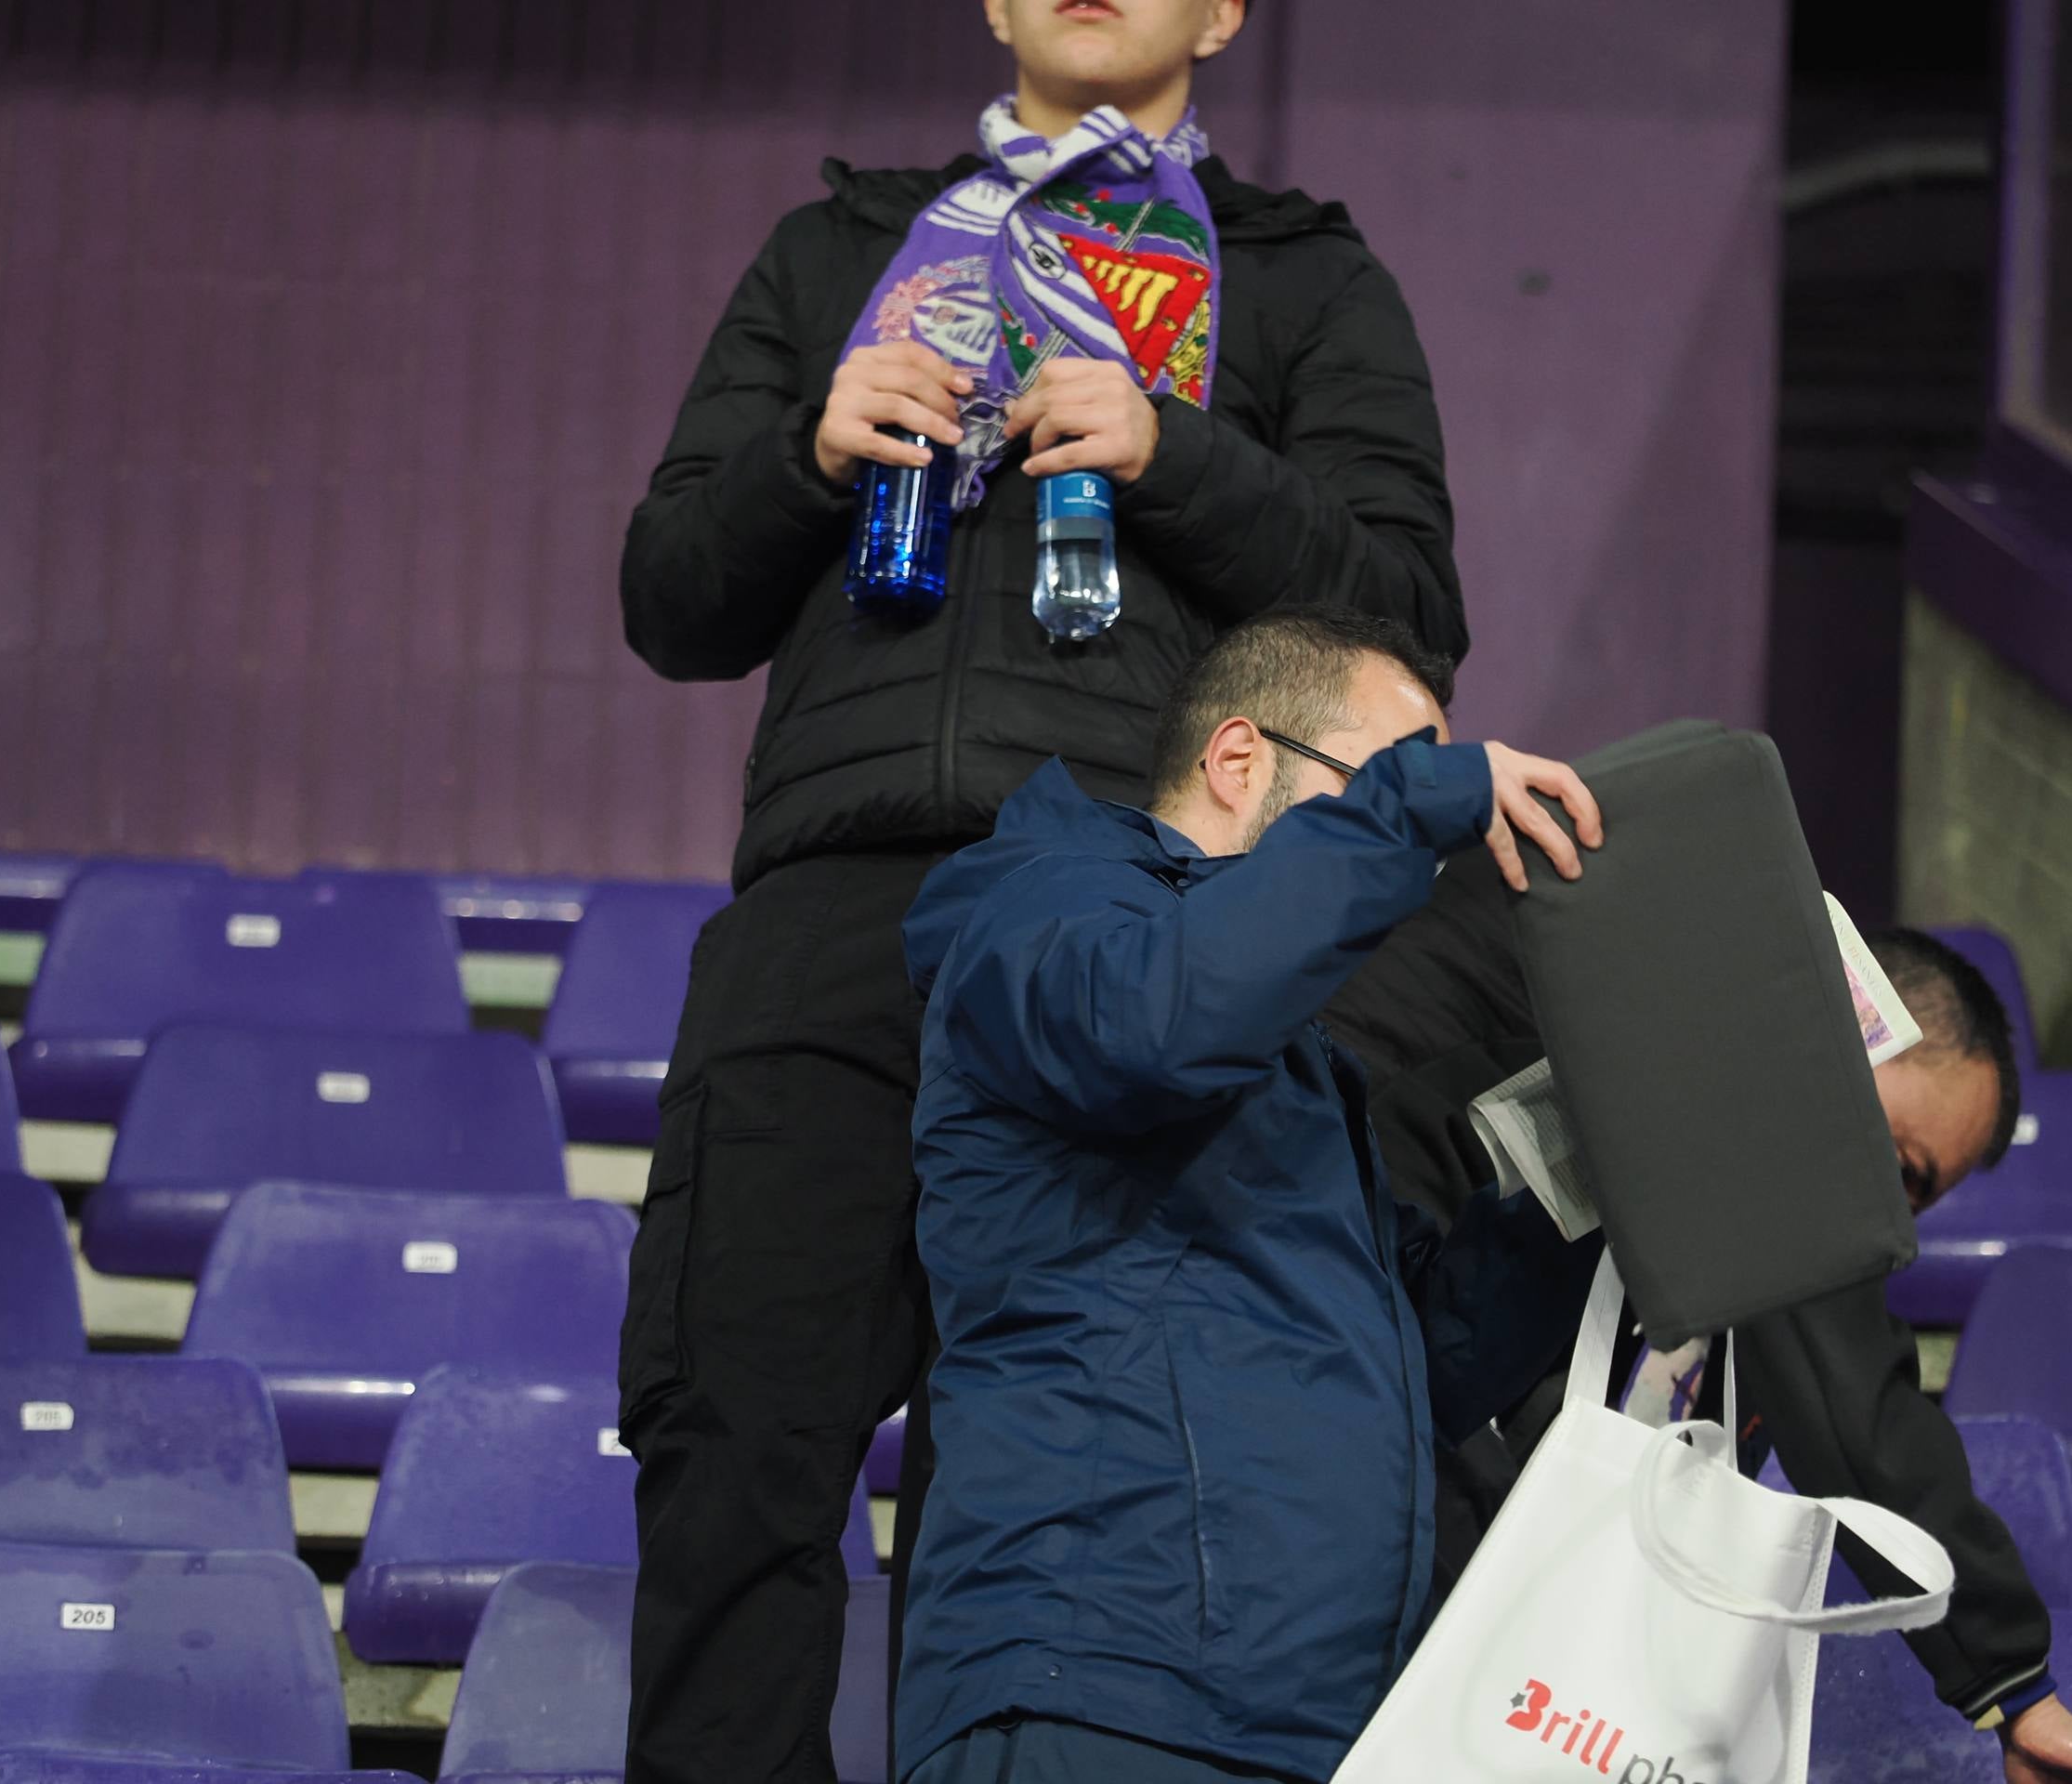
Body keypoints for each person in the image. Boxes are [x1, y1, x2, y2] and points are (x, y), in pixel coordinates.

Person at [613, 0, 1464, 1776]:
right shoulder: (841, 249)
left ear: (1228, 10)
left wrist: (1180, 450)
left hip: (1121, 931)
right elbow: (672, 599)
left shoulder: (1304, 282)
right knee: (736, 1467)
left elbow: (1404, 625)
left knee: (1065, 1498)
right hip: (831, 920)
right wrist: (808, 456)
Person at [895, 608, 1607, 1784]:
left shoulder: (1287, 1052)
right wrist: (1422, 805)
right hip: (1107, 1691)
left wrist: (1590, 1152)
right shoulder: (1037, 904)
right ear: (1239, 759)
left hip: (1305, 1723)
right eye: (1394, 780)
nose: (1417, 858)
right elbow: (1153, 1025)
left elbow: (1424, 1368)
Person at [1322, 859, 2072, 1784]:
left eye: (1915, 1202)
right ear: (1848, 1025)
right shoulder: (1686, 1081)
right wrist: (2013, 1684)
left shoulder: (1696, 1164)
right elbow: (1861, 1427)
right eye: (1898, 1166)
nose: (1884, 1222)